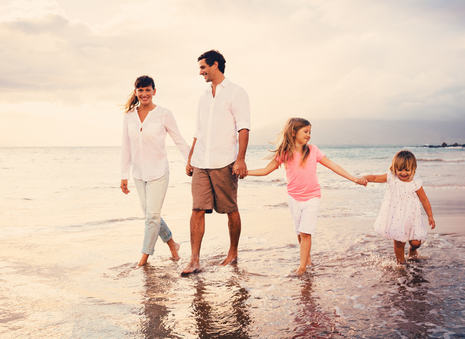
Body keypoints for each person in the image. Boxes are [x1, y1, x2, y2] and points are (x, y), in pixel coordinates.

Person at [248, 117, 367, 274]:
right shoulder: (285, 153)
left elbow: (333, 166)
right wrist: (245, 173)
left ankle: (302, 268)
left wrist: (354, 178)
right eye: (305, 131)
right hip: (294, 198)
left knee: (305, 232)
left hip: (312, 197)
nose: (308, 135)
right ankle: (307, 259)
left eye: (310, 132)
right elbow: (265, 170)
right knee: (300, 232)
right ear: (293, 132)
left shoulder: (313, 150)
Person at [181, 50, 250, 275]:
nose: (200, 72)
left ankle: (233, 251)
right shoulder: (203, 97)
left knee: (230, 209)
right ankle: (194, 260)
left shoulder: (236, 92)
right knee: (197, 209)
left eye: (203, 67)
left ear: (215, 65)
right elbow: (198, 131)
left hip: (225, 161)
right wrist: (190, 158)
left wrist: (240, 159)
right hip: (201, 161)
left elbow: (243, 127)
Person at [120, 75, 190, 267]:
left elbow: (178, 139)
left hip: (159, 172)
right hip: (138, 174)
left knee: (151, 217)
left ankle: (143, 259)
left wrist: (191, 161)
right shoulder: (129, 116)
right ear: (136, 92)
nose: (144, 94)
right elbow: (126, 147)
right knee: (151, 215)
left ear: (154, 91)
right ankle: (173, 244)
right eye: (140, 90)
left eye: (147, 90)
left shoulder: (164, 114)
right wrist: (123, 175)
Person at [363, 150, 436, 264]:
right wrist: (364, 178)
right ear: (394, 168)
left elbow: (424, 199)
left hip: (412, 217)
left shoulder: (415, 182)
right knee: (399, 242)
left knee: (416, 242)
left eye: (407, 169)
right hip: (397, 216)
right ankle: (400, 263)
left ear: (413, 168)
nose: (403, 172)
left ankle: (412, 250)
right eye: (400, 169)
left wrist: (430, 216)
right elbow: (375, 177)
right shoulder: (392, 178)